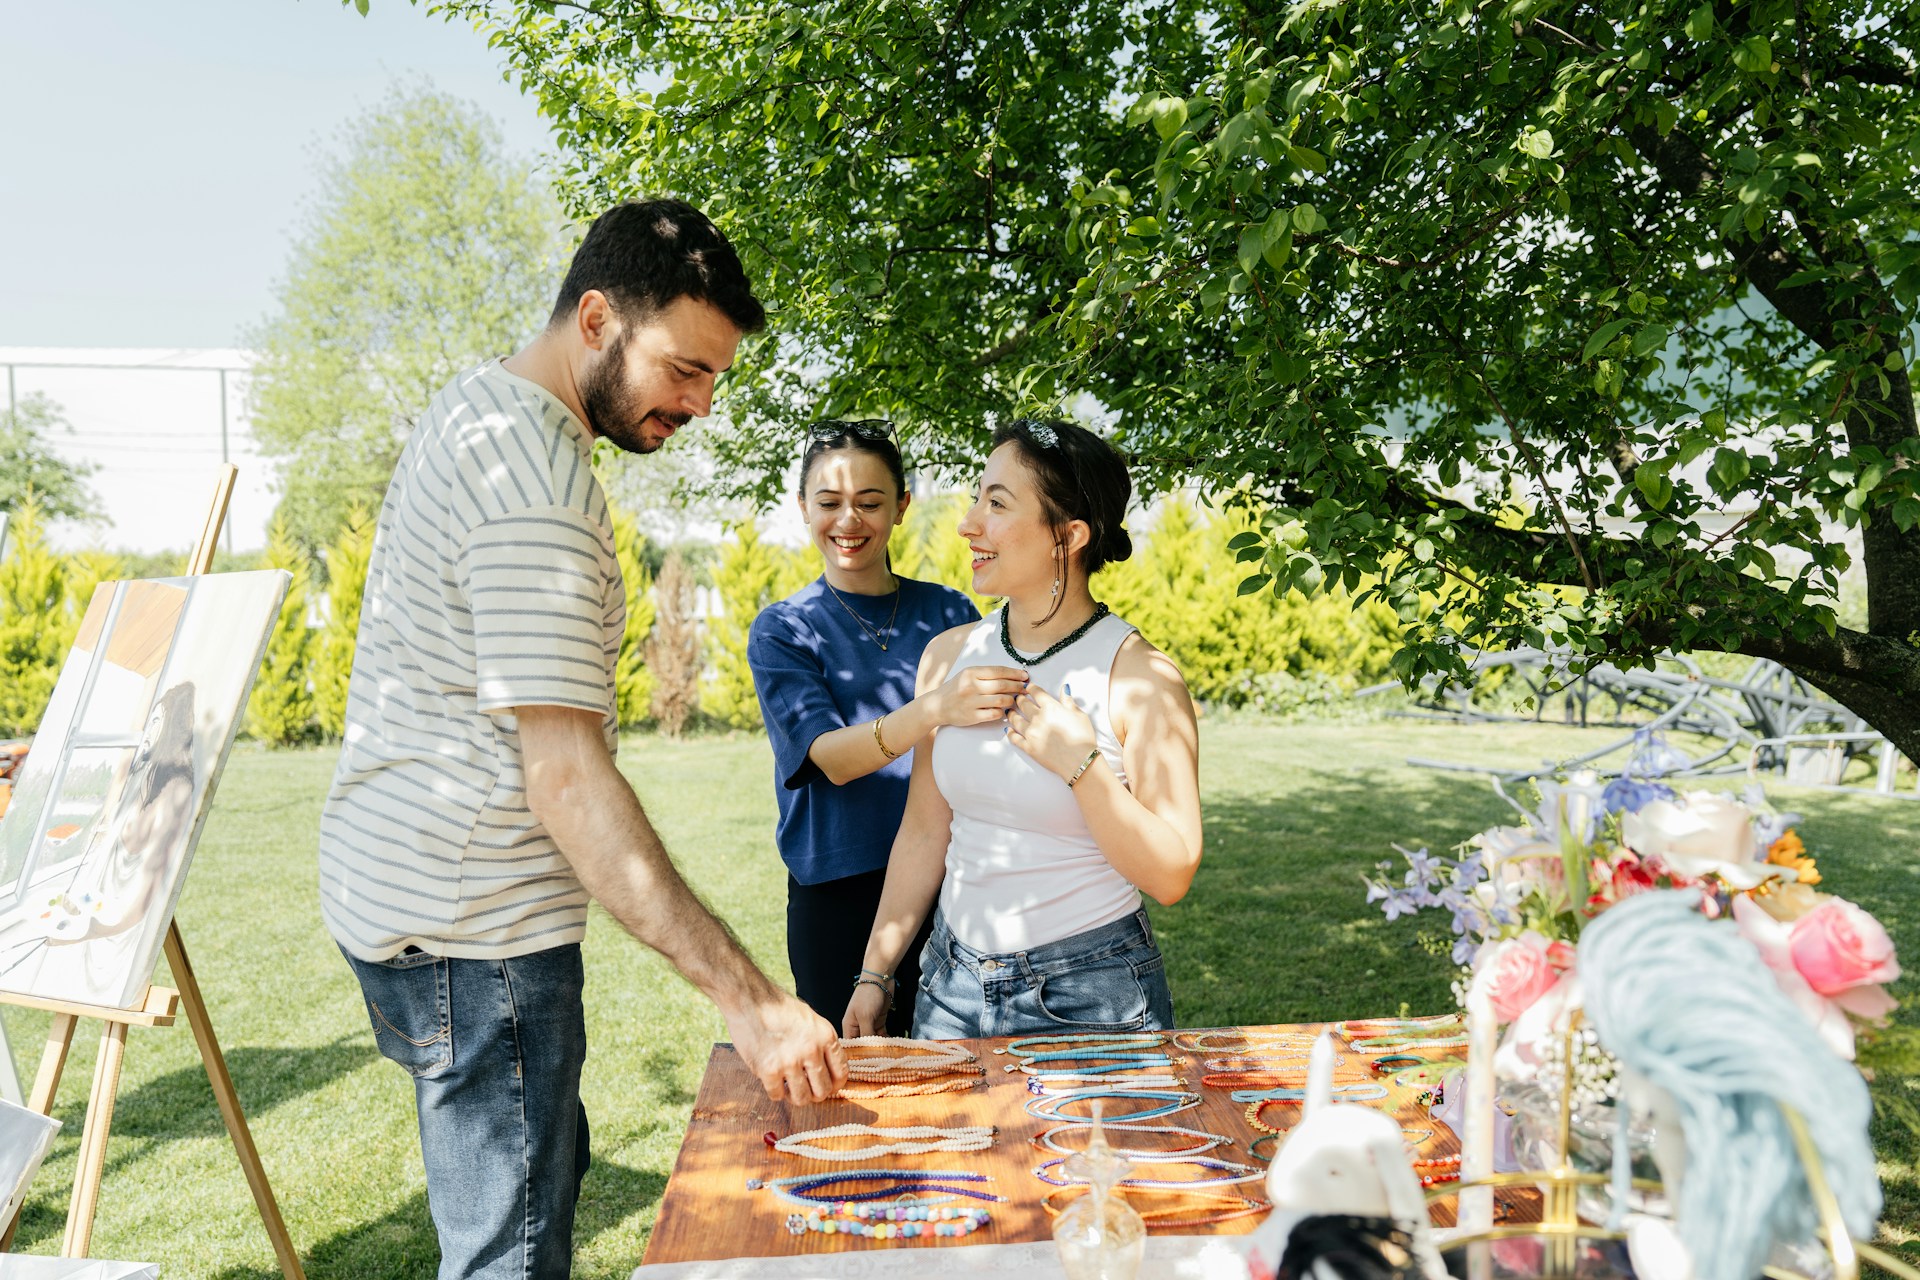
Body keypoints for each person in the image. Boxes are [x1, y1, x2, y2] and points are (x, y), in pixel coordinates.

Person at [318, 199, 846, 1280]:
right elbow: (564, 774)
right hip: (479, 939)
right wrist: (753, 1001)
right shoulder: (535, 487)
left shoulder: (479, 410)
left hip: (406, 909)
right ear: (598, 317)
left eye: (716, 379)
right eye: (685, 369)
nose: (700, 404)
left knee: (528, 1199)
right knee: (511, 1256)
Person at [842, 418, 1203, 1041]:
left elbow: (1171, 874)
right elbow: (926, 829)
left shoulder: (1141, 679)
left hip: (1092, 995)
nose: (969, 522)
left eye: (997, 503)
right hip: (949, 988)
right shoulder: (948, 656)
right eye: (978, 496)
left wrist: (1080, 765)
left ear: (1067, 536)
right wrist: (875, 974)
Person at [746, 421, 1022, 1033]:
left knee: (957, 1074)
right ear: (802, 508)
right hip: (838, 894)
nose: (849, 521)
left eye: (870, 503)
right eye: (829, 503)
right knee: (856, 1085)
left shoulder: (951, 611)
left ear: (901, 507)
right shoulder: (784, 630)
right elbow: (831, 759)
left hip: (951, 878)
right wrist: (935, 707)